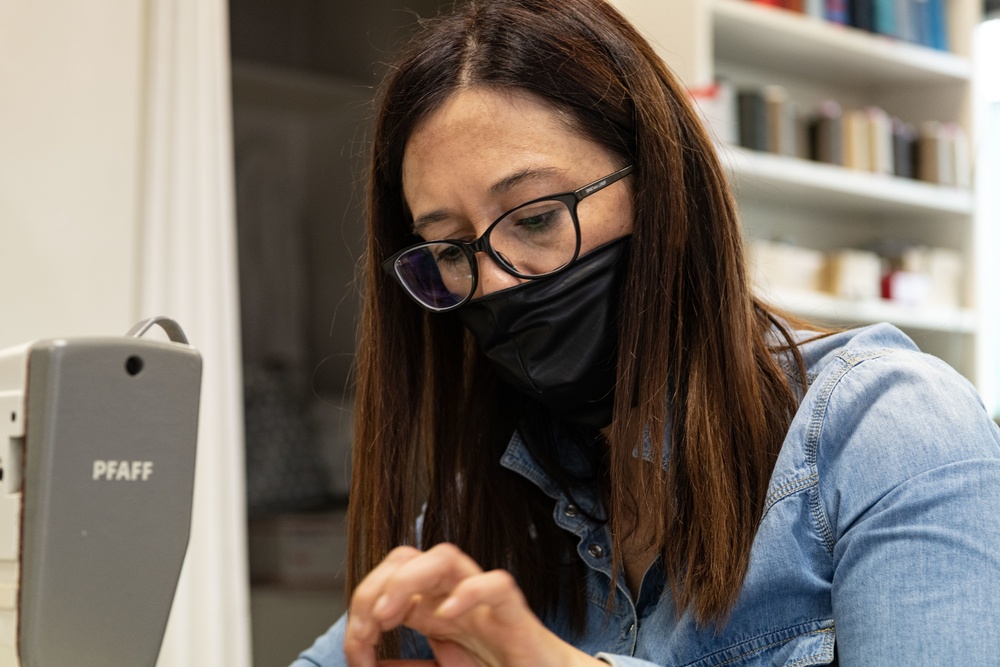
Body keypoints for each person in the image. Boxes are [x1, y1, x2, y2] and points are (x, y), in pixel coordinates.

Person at [292, 1, 1000, 665]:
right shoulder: (478, 513)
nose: (498, 283)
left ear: (661, 186)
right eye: (451, 250)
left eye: (536, 218)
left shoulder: (890, 431)